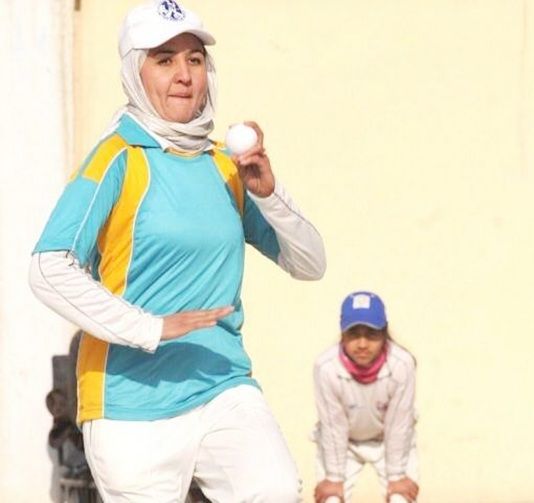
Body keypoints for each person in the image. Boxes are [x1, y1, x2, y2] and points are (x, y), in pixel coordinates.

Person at [29, 1, 326, 501]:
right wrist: (149, 327)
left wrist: (269, 195)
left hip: (221, 385)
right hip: (128, 405)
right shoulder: (117, 158)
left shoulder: (225, 166)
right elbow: (47, 267)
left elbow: (310, 263)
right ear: (134, 71)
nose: (184, 75)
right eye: (164, 60)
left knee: (275, 490)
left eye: (194, 59)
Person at [312, 291, 419, 503]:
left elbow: (399, 423)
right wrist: (334, 477)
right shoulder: (326, 367)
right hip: (343, 443)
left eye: (371, 334)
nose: (362, 344)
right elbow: (333, 425)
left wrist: (397, 475)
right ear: (342, 333)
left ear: (384, 333)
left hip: (388, 441)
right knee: (331, 499)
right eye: (353, 334)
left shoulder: (402, 364)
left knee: (400, 497)